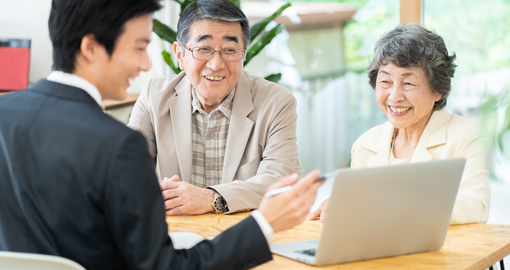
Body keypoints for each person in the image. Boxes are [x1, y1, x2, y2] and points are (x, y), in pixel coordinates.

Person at [0, 0, 323, 269]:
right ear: (91, 48)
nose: (146, 63)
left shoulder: (4, 114)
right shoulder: (116, 141)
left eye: (229, 50)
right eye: (139, 47)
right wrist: (263, 224)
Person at [127, 0, 302, 215]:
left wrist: (211, 198)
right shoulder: (155, 95)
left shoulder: (276, 102)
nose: (216, 64)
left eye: (230, 50)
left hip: (244, 233)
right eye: (204, 49)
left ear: (243, 55)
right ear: (180, 55)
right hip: (180, 234)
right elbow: (126, 168)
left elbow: (281, 181)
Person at [310, 24, 490, 225]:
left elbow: (476, 207)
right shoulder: (365, 145)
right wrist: (344, 204)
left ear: (438, 90)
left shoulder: (466, 134)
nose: (394, 97)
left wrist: (390, 205)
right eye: (385, 82)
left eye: (408, 83)